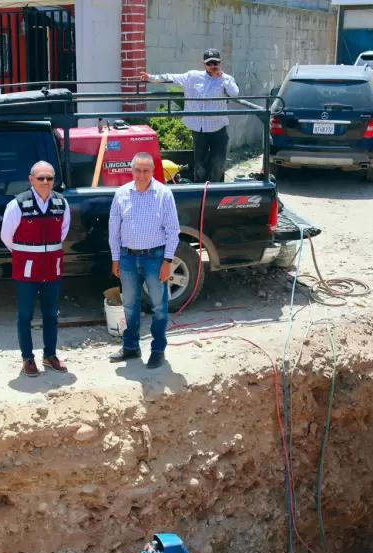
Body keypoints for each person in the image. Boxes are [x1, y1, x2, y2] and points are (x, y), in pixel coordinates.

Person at [108, 152, 180, 369]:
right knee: (130, 305)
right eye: (137, 170)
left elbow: (173, 230)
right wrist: (115, 259)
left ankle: (158, 350)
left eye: (145, 170)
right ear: (132, 170)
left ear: (152, 171)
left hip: (155, 258)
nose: (141, 175)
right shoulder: (121, 194)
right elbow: (114, 230)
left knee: (159, 306)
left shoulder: (163, 194)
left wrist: (167, 261)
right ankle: (131, 347)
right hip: (128, 258)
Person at [0, 161, 70, 377]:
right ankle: (27, 358)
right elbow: (6, 237)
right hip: (27, 268)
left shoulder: (61, 203)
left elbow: (62, 232)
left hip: (52, 268)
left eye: (49, 178)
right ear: (31, 179)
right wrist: (27, 253)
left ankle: (50, 355)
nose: (45, 182)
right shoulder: (17, 204)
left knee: (51, 314)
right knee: (25, 314)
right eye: (41, 178)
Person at [141, 48, 239, 183]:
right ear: (203, 63)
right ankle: (200, 191)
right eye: (210, 63)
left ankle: (215, 191)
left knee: (218, 163)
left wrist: (222, 77)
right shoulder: (192, 76)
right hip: (199, 128)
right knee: (200, 164)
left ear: (220, 62)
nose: (213, 66)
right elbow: (171, 77)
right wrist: (151, 78)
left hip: (218, 127)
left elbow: (235, 93)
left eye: (216, 63)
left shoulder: (226, 78)